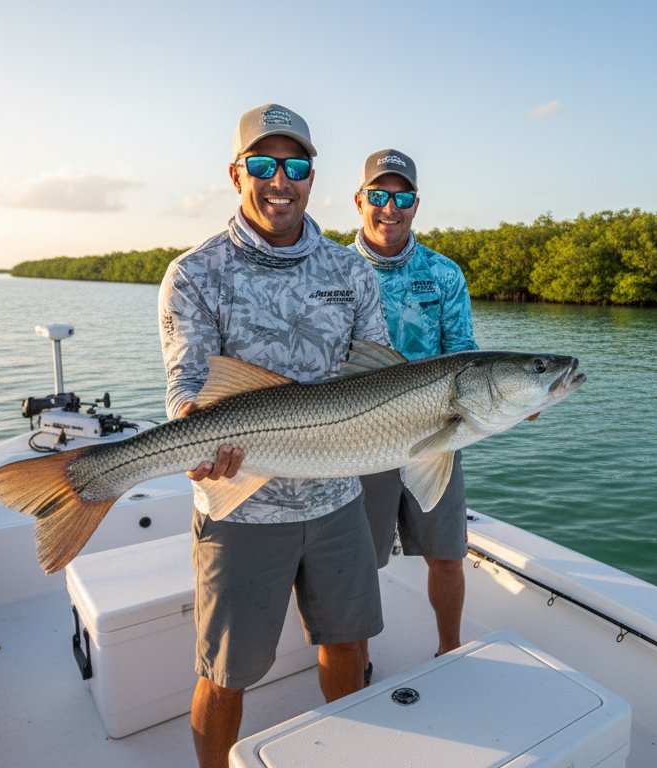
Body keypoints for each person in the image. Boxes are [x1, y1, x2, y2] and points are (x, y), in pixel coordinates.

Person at [158, 104, 391, 768]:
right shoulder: (195, 273)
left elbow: (380, 376)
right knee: (226, 673)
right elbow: (188, 384)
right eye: (263, 165)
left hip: (335, 500)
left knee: (347, 645)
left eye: (294, 166)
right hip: (239, 504)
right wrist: (193, 435)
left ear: (312, 176)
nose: (279, 181)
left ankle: (347, 755)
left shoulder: (351, 273)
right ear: (236, 174)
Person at [351, 149, 478, 674]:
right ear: (360, 201)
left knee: (446, 553)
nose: (390, 208)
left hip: (438, 433)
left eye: (401, 197)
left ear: (416, 204)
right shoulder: (335, 269)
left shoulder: (444, 274)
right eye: (379, 196)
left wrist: (516, 398)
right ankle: (352, 661)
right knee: (358, 562)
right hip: (361, 435)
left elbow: (466, 353)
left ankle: (449, 648)